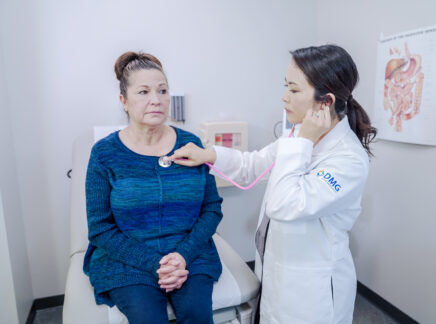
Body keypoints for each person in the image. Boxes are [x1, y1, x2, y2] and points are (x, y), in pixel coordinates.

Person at [168, 45, 377, 323]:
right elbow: (254, 164)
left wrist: (301, 143)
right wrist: (209, 154)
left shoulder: (347, 159)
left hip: (311, 292)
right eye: (285, 86)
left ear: (324, 101)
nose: (284, 96)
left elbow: (285, 204)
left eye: (293, 89)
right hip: (279, 270)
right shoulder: (300, 135)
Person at [83, 51, 223, 324]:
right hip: (127, 258)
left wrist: (182, 256)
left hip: (189, 253)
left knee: (197, 314)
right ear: (124, 101)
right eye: (144, 92)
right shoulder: (104, 154)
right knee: (148, 318)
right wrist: (156, 264)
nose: (156, 100)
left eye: (162, 90)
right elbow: (100, 228)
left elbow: (211, 209)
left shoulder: (190, 144)